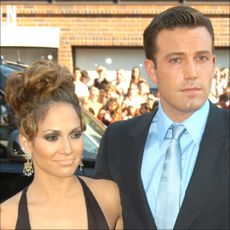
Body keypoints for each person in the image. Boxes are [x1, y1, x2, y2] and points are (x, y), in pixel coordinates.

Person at [94, 5, 229, 230]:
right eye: (176, 60)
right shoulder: (117, 140)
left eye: (202, 58)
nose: (192, 72)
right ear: (152, 70)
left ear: (213, 63)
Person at [0, 60, 123, 230]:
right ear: (26, 143)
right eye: (52, 137)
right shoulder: (7, 218)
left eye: (75, 135)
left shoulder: (109, 197)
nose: (68, 149)